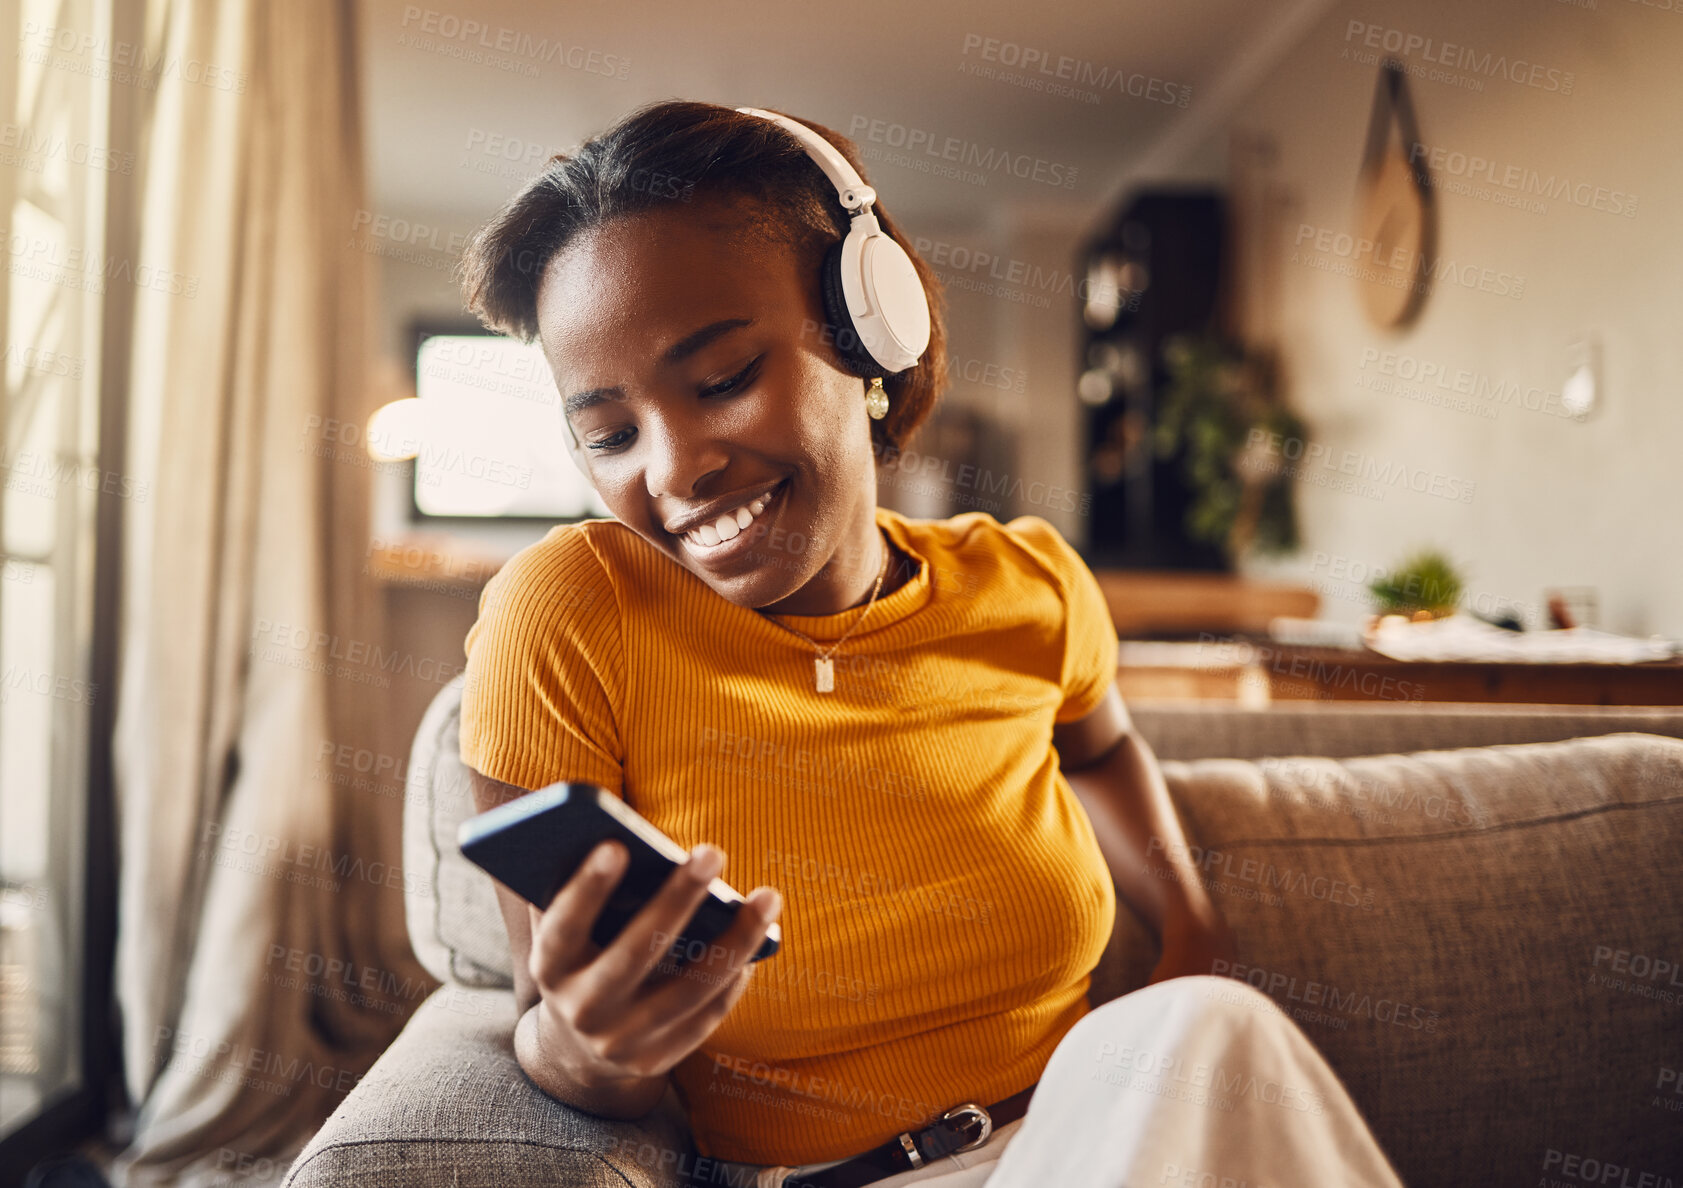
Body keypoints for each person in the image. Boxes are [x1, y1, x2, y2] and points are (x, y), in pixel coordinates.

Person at [453, 100, 1405, 1188]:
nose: (671, 471)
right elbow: (549, 1009)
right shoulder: (576, 611)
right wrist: (591, 1051)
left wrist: (1191, 928)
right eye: (611, 433)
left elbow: (1096, 749)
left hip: (1096, 1137)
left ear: (872, 333)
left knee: (1208, 1027)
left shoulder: (1027, 581)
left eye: (721, 380)